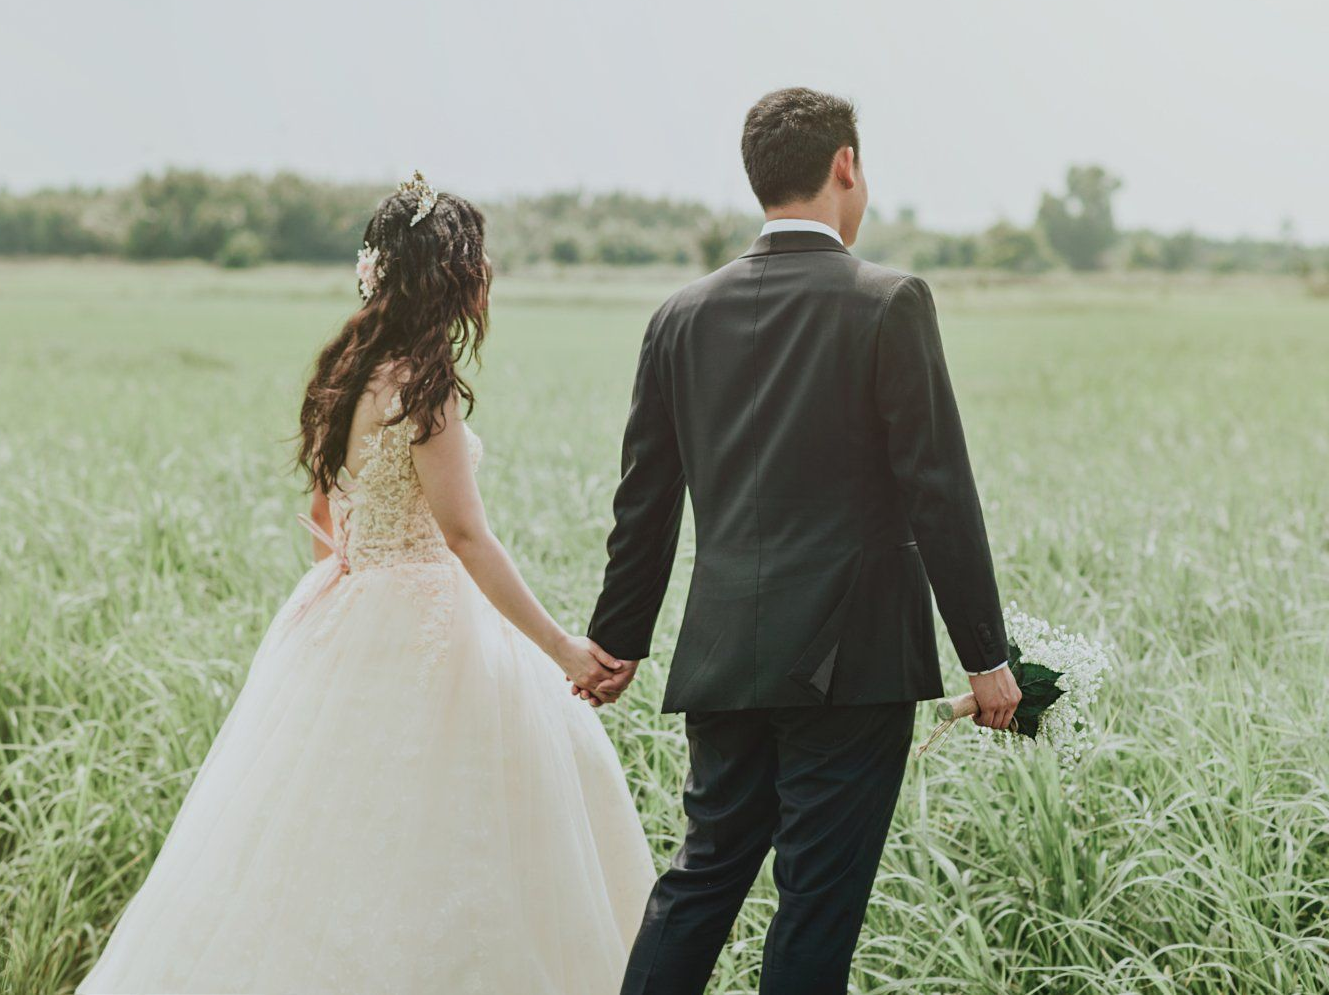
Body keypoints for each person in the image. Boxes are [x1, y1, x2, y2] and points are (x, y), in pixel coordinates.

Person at [78, 174, 655, 994]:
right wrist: (564, 649)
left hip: (346, 605)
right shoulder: (428, 390)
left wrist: (355, 586)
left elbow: (324, 516)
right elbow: (465, 536)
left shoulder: (346, 372)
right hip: (427, 615)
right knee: (449, 844)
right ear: (451, 277)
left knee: (323, 841)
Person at [583, 88, 1024, 995]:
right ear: (846, 166)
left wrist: (619, 641)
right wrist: (986, 656)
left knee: (699, 884)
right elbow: (938, 489)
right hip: (851, 667)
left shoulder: (680, 315)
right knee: (815, 913)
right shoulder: (890, 300)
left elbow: (646, 502)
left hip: (722, 658)